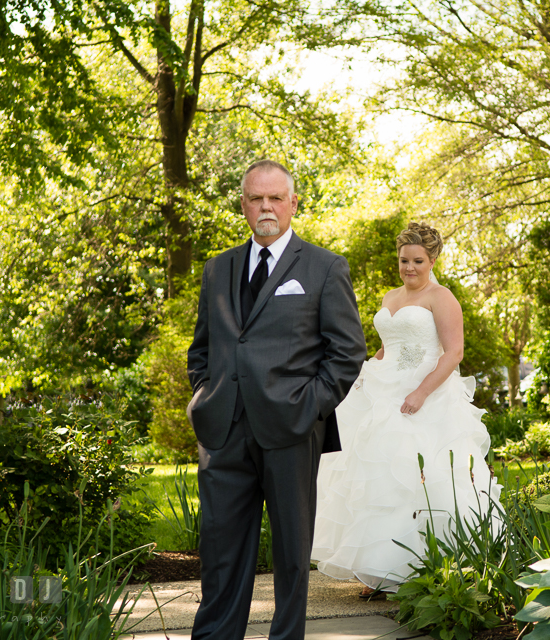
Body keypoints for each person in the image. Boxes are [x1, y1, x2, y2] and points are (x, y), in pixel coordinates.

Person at [186, 160, 367, 640]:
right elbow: (202, 347)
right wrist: (203, 395)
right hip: (223, 430)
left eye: (275, 198)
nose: (265, 207)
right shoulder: (217, 268)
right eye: (255, 199)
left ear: (292, 203)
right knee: (220, 549)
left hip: (291, 428)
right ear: (243, 204)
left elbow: (348, 353)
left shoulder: (325, 267)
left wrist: (308, 407)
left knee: (290, 553)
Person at [311, 222, 501, 596]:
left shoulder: (441, 297)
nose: (409, 268)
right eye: (403, 260)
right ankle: (378, 571)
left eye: (417, 261)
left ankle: (425, 567)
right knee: (375, 477)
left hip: (425, 390)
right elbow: (389, 345)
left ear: (432, 260)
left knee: (415, 476)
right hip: (383, 387)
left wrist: (421, 392)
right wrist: (363, 372)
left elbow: (454, 352)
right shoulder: (390, 297)